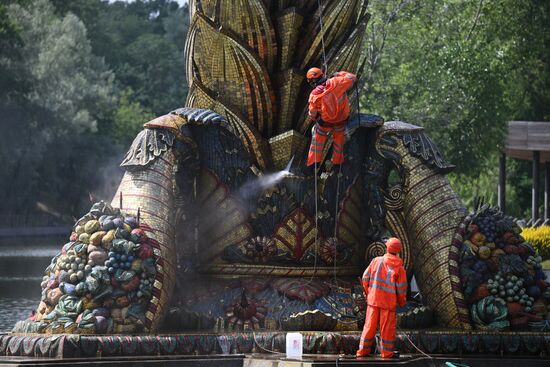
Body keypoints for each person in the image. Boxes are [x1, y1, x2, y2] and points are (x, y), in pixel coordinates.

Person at [356, 237, 407, 359]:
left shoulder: (376, 261)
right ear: (398, 250)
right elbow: (401, 288)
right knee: (387, 330)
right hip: (388, 304)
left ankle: (362, 352)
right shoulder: (399, 268)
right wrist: (402, 302)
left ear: (387, 247)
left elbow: (365, 278)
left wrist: (369, 292)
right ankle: (387, 353)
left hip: (373, 301)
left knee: (369, 327)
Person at [305, 67, 356, 167]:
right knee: (339, 140)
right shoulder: (337, 82)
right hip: (341, 120)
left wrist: (317, 118)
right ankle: (337, 163)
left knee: (317, 139)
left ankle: (313, 163)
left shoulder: (314, 94)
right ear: (322, 74)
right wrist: (338, 74)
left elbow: (312, 114)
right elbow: (352, 77)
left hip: (325, 123)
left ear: (311, 82)